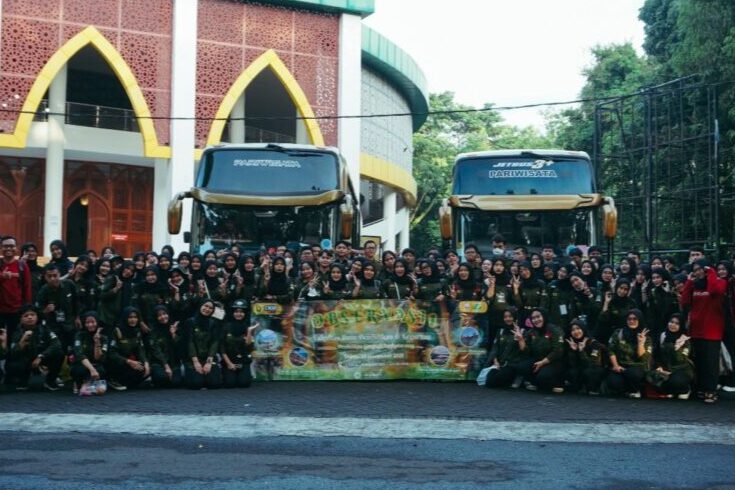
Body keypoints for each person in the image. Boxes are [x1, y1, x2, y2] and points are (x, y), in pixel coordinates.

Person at [680, 259, 727, 403]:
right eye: (695, 270)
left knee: (710, 364)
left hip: (712, 331)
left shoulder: (719, 282)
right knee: (699, 362)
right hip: (696, 330)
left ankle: (711, 391)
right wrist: (689, 282)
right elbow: (684, 301)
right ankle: (700, 389)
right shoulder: (695, 285)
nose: (698, 272)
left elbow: (714, 290)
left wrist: (711, 272)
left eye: (700, 269)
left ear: (706, 269)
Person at [5, 305, 63, 391]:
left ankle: (50, 381)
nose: (30, 317)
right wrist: (22, 342)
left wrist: (41, 356)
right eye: (26, 316)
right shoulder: (16, 332)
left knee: (59, 354)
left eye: (32, 315)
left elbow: (56, 344)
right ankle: (22, 380)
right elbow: (12, 353)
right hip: (25, 360)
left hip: (41, 358)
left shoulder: (44, 328)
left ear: (37, 317)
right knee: (12, 364)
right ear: (21, 319)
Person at [605, 309, 651, 398]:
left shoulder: (646, 336)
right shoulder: (619, 333)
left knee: (634, 374)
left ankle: (636, 390)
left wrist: (640, 343)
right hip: (621, 366)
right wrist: (615, 366)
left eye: (635, 319)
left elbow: (643, 358)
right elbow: (611, 350)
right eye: (629, 319)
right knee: (613, 382)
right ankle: (624, 391)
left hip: (637, 367)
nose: (631, 321)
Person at [518, 308, 565, 393]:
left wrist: (542, 362)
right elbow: (527, 352)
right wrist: (521, 340)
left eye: (538, 316)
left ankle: (557, 383)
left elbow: (558, 351)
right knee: (522, 367)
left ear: (544, 316)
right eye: (533, 318)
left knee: (543, 377)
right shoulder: (532, 332)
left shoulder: (555, 330)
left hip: (553, 362)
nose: (536, 320)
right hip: (538, 360)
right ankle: (537, 382)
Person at [36, 264, 79, 354]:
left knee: (72, 351)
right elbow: (38, 311)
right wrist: (46, 310)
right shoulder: (43, 291)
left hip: (70, 323)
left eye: (55, 275)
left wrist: (77, 317)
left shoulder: (69, 284)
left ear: (59, 274)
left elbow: (76, 302)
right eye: (49, 276)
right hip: (53, 326)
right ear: (45, 277)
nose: (52, 279)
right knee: (58, 351)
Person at [650, 313, 693, 399]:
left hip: (681, 370)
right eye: (671, 322)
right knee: (651, 379)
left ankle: (685, 390)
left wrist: (677, 347)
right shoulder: (662, 336)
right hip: (664, 369)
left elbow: (681, 360)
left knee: (676, 381)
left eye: (677, 323)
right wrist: (658, 367)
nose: (673, 325)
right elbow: (656, 355)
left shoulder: (684, 340)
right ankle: (671, 390)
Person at [107, 307, 150, 390]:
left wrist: (146, 362)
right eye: (130, 317)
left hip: (130, 362)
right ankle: (113, 381)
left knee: (145, 369)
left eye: (135, 317)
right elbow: (112, 353)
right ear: (125, 318)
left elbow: (140, 349)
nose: (133, 320)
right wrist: (128, 361)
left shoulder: (137, 331)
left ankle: (126, 382)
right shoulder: (117, 331)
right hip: (119, 362)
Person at [183, 299, 223, 389]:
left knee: (214, 384)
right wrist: (196, 362)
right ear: (200, 306)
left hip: (208, 358)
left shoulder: (214, 323)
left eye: (210, 308)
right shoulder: (190, 322)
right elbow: (190, 342)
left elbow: (214, 343)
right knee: (196, 384)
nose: (207, 309)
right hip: (193, 359)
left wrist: (209, 362)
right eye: (205, 306)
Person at [485, 308, 528, 389]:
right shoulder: (500, 331)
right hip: (499, 364)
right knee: (489, 382)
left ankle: (518, 378)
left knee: (500, 379)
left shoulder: (522, 331)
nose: (507, 319)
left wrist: (520, 338)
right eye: (505, 317)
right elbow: (495, 347)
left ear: (515, 317)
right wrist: (495, 361)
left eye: (510, 316)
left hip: (513, 365)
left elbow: (525, 351)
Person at [0, 236, 32, 340]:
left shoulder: (22, 265)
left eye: (11, 246)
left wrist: (27, 309)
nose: (8, 249)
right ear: (1, 248)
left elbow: (27, 287)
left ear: (16, 248)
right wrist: (2, 276)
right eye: (5, 246)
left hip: (17, 311)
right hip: (0, 310)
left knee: (14, 339)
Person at [565, 319, 606, 395]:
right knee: (572, 371)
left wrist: (581, 351)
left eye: (578, 328)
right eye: (573, 330)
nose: (576, 332)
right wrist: (573, 351)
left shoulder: (594, 343)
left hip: (595, 369)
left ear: (583, 329)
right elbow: (572, 364)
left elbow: (592, 364)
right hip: (582, 368)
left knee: (588, 371)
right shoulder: (572, 343)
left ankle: (594, 389)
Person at [221, 299, 256, 388]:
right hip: (229, 360)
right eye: (236, 311)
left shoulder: (248, 327)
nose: (239, 314)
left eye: (241, 312)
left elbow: (249, 346)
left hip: (243, 361)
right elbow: (222, 347)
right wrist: (229, 363)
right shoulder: (226, 327)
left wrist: (249, 331)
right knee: (230, 384)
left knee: (244, 383)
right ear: (233, 313)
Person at [71, 311, 108, 394]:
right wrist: (92, 369)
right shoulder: (79, 335)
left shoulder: (104, 338)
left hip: (96, 365)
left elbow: (98, 358)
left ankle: (88, 384)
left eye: (93, 322)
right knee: (77, 370)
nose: (90, 325)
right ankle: (80, 383)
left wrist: (97, 342)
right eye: (87, 322)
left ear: (97, 322)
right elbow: (79, 354)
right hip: (83, 365)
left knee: (102, 370)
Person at [146, 305, 184, 388]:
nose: (163, 317)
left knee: (176, 382)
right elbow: (156, 350)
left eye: (164, 314)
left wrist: (173, 334)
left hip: (173, 362)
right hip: (159, 362)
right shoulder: (152, 330)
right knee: (161, 378)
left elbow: (179, 347)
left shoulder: (173, 327)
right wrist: (166, 366)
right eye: (159, 315)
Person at [596, 279, 637, 346]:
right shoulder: (609, 299)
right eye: (621, 288)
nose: (622, 291)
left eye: (625, 289)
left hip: (624, 334)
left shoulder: (631, 303)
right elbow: (602, 319)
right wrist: (606, 302)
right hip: (607, 333)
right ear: (617, 287)